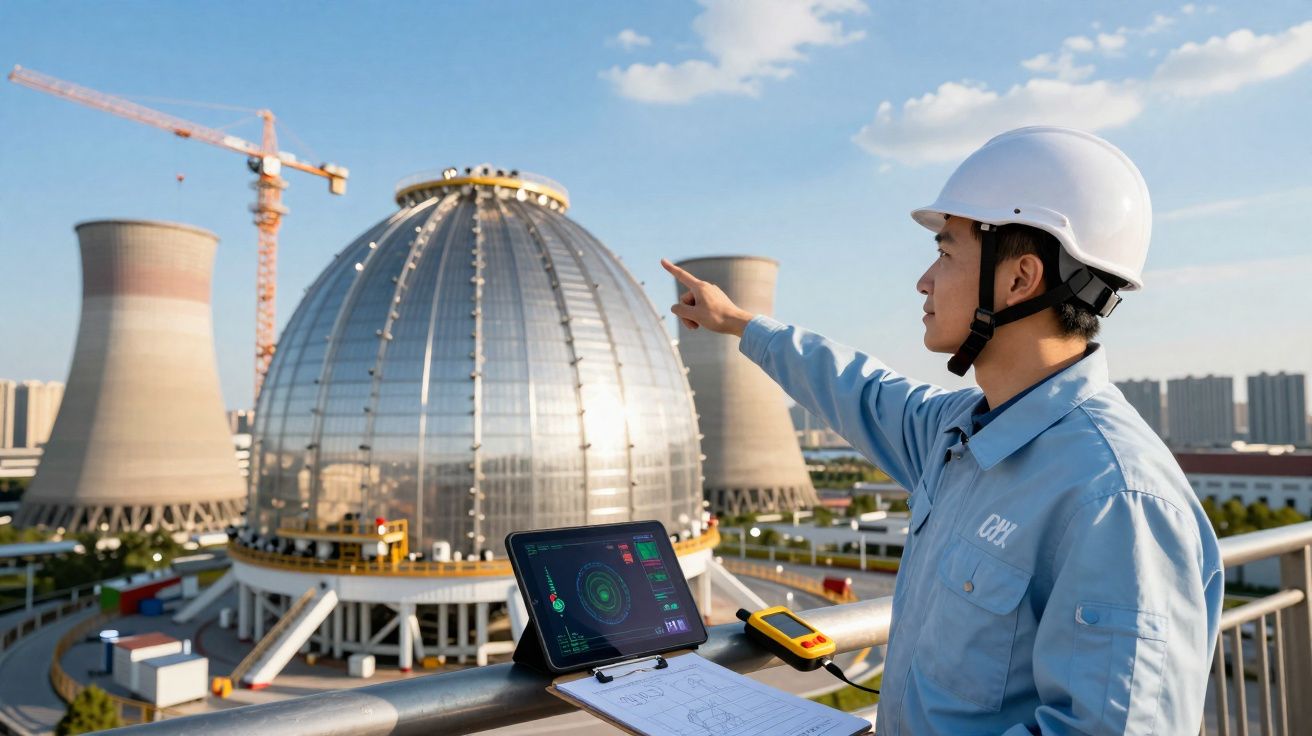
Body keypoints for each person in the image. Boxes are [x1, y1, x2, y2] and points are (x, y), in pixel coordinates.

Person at [662, 126, 1222, 735]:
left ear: (1019, 279)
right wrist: (740, 323)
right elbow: (860, 388)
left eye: (947, 253)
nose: (924, 281)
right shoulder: (959, 433)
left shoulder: (1115, 500)